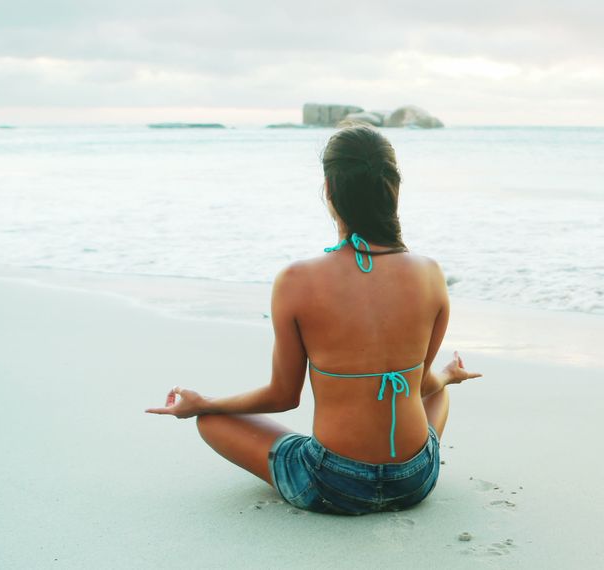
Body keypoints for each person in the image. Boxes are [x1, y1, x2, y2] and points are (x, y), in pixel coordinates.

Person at [146, 125, 482, 515]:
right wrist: (448, 376)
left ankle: (218, 414)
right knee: (437, 391)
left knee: (211, 421)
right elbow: (421, 383)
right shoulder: (430, 273)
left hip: (333, 484)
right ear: (394, 190)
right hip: (415, 480)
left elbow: (283, 396)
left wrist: (204, 403)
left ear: (329, 188)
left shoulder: (296, 280)